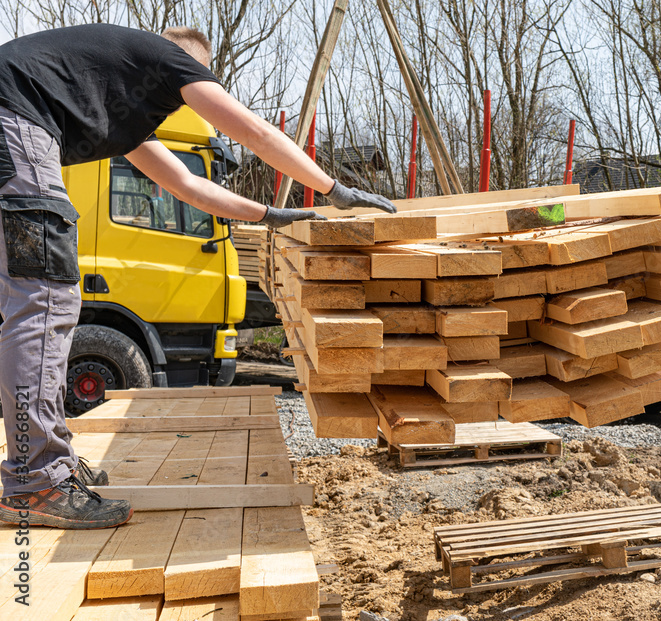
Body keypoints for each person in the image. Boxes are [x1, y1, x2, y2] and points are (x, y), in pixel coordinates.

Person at [0, 24, 395, 529]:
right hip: (13, 123)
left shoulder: (124, 101)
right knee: (48, 302)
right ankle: (36, 482)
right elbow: (255, 131)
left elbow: (187, 184)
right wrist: (332, 187)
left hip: (13, 123)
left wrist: (269, 216)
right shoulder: (168, 60)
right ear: (192, 66)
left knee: (35, 303)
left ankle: (46, 464)